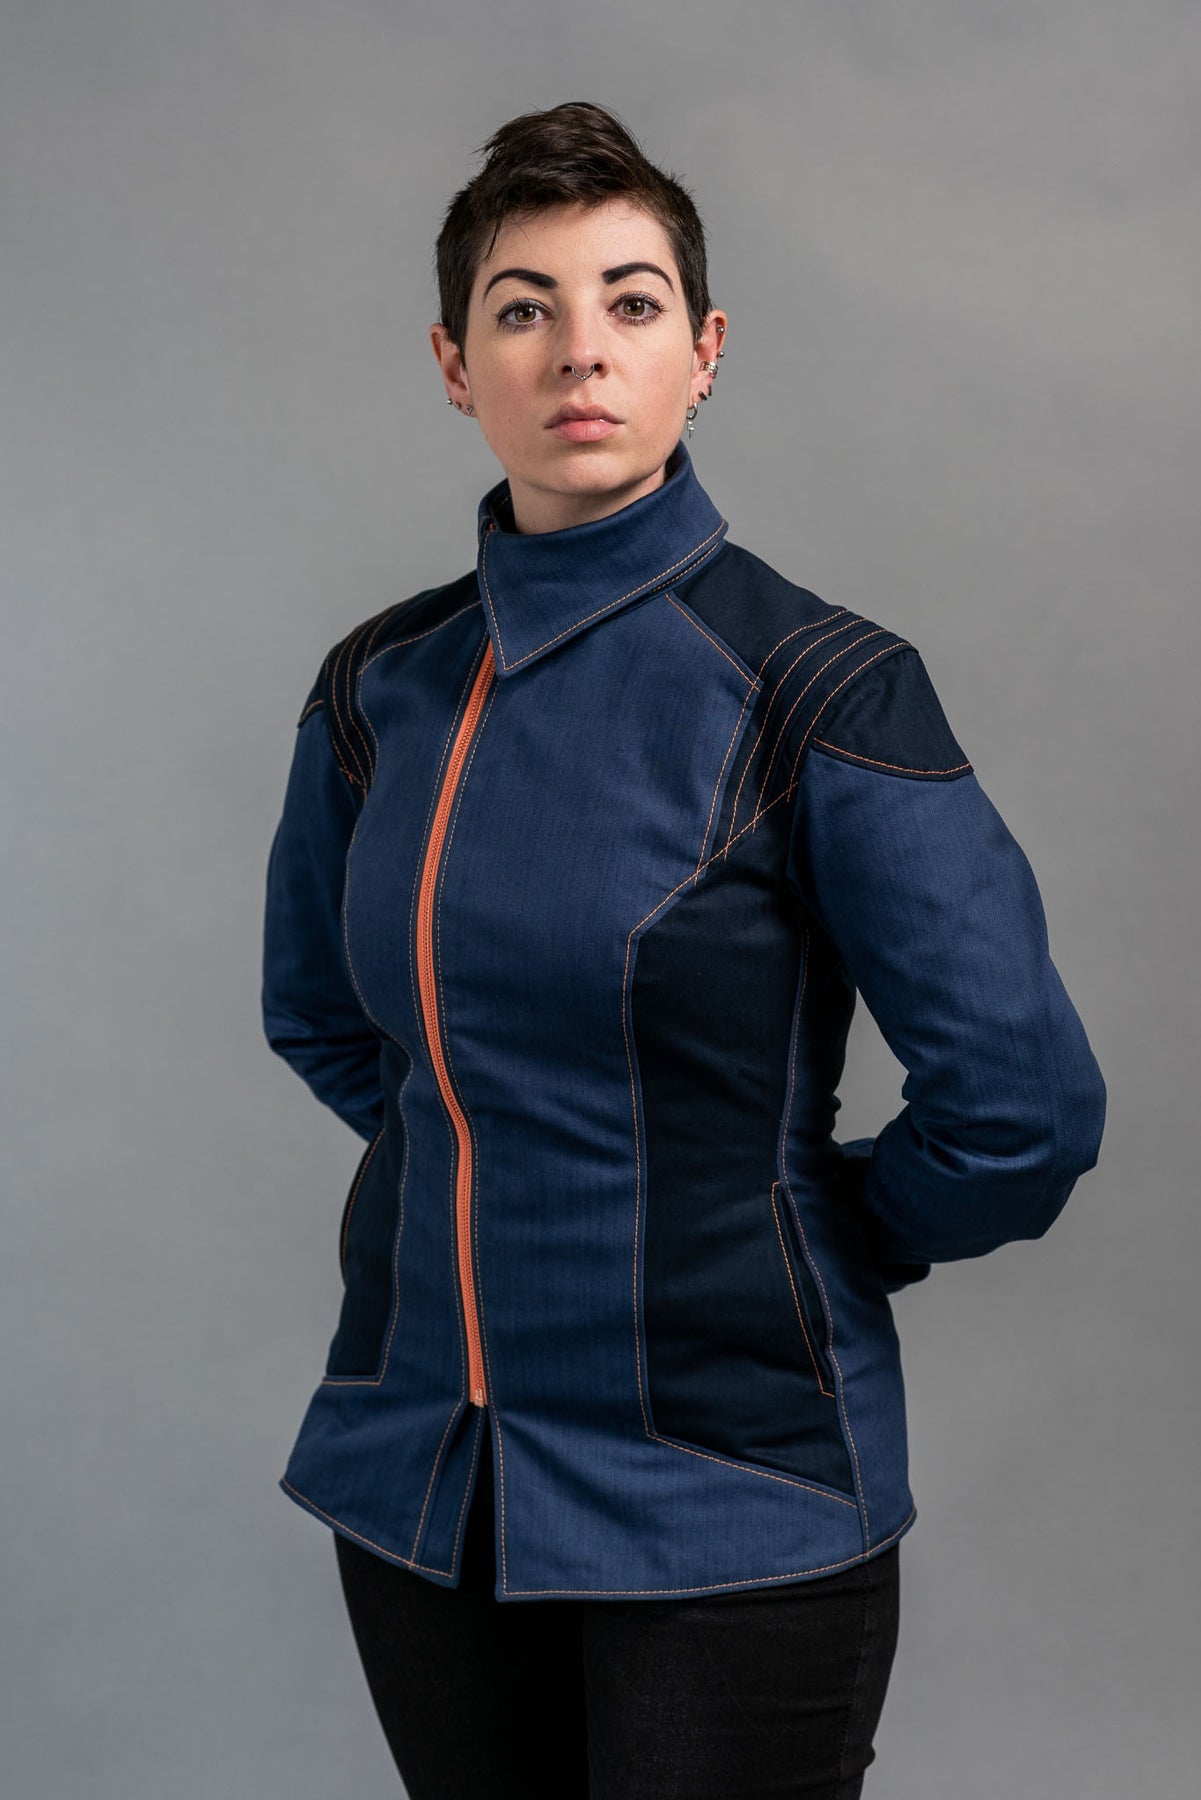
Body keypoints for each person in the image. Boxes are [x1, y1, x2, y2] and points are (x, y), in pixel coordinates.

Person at [261, 100, 1106, 1799]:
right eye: (523, 308)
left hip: (731, 1494)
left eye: (630, 303)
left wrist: (796, 1228)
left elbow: (1019, 1109)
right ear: (454, 365)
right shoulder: (380, 688)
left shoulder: (820, 688)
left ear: (702, 352)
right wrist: (518, 1157)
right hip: (422, 1491)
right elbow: (325, 1019)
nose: (579, 349)